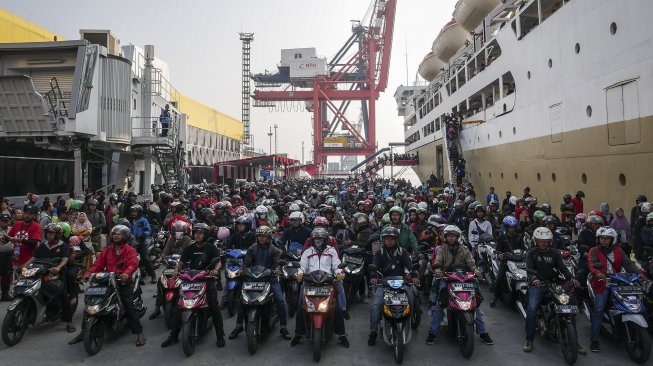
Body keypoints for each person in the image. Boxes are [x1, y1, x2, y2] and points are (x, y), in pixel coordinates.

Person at [69, 224, 146, 346]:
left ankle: (139, 333)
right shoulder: (107, 250)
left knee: (129, 304)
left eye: (119, 234)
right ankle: (83, 332)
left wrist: (126, 273)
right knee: (91, 301)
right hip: (107, 280)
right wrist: (88, 273)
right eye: (114, 234)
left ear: (125, 236)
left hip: (122, 281)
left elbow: (132, 264)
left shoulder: (129, 250)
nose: (116, 236)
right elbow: (97, 265)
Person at [426, 225, 493, 345]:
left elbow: (471, 264)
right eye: (449, 236)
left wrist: (477, 272)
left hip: (464, 279)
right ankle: (433, 332)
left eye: (453, 236)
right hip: (448, 279)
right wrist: (438, 272)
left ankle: (482, 332)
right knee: (441, 303)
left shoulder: (464, 249)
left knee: (475, 304)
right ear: (445, 237)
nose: (451, 238)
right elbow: (437, 263)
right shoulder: (442, 249)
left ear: (458, 237)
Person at [161, 223, 225, 348]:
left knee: (214, 307)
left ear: (205, 235)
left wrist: (215, 270)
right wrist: (176, 271)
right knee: (180, 307)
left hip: (207, 279)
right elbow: (181, 262)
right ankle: (173, 336)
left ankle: (220, 336)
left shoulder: (211, 248)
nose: (198, 235)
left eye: (200, 233)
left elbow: (218, 262)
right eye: (196, 233)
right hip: (191, 279)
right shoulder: (189, 248)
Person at [587, 226, 647, 352]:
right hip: (602, 283)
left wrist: (640, 272)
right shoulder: (594, 250)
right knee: (599, 309)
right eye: (602, 238)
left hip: (619, 281)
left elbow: (628, 263)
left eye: (607, 238)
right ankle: (594, 340)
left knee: (635, 300)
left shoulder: (619, 250)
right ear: (598, 239)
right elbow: (592, 264)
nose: (604, 240)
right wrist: (597, 273)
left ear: (612, 239)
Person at [523, 227, 582, 354]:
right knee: (532, 309)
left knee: (569, 307)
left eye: (546, 241)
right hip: (538, 285)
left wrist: (571, 279)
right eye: (540, 240)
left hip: (555, 284)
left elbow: (563, 268)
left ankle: (575, 342)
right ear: (536, 240)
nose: (543, 243)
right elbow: (529, 269)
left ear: (550, 241)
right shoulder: (531, 253)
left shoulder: (555, 253)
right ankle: (529, 340)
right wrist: (534, 279)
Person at [228, 226, 291, 340]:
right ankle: (239, 326)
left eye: (263, 236)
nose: (261, 238)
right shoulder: (252, 248)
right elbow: (246, 263)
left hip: (269, 278)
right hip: (253, 278)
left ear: (269, 237)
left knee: (280, 300)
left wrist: (277, 269)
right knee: (243, 300)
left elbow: (277, 263)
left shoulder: (274, 250)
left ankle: (283, 327)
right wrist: (242, 270)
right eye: (259, 236)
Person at [290, 228, 349, 348]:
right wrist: (300, 273)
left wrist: (339, 273)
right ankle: (298, 334)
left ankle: (342, 335)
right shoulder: (307, 252)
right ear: (312, 240)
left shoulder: (331, 251)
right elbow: (302, 266)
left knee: (336, 308)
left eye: (321, 239)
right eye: (316, 239)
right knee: (301, 307)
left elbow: (337, 265)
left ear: (325, 240)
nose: (318, 241)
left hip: (327, 282)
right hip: (310, 282)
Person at [368, 226, 419, 346]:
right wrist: (373, 277)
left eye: (392, 239)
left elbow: (410, 266)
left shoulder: (403, 252)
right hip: (384, 284)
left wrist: (414, 276)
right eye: (387, 239)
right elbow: (374, 267)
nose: (389, 241)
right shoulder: (379, 253)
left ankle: (408, 320)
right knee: (376, 306)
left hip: (401, 283)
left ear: (396, 240)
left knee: (411, 298)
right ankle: (373, 332)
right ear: (383, 240)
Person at [22, 223, 76, 332]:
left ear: (57, 235)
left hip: (57, 274)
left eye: (52, 233)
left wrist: (58, 268)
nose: (49, 235)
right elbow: (34, 258)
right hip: (40, 272)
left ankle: (69, 322)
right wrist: (24, 265)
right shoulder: (43, 245)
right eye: (48, 233)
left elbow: (64, 260)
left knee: (63, 295)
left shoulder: (63, 246)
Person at [149, 220, 191, 320]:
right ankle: (157, 308)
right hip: (170, 267)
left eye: (180, 230)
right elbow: (165, 252)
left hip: (183, 267)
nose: (178, 232)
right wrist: (160, 259)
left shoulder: (188, 240)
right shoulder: (171, 239)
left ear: (185, 231)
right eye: (176, 230)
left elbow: (189, 253)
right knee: (160, 282)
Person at [491, 216, 525, 307]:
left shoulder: (519, 237)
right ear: (506, 227)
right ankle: (495, 297)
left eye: (513, 227)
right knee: (499, 278)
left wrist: (526, 253)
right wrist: (500, 254)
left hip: (518, 261)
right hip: (506, 261)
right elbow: (497, 249)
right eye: (510, 227)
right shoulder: (502, 237)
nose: (512, 229)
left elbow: (524, 248)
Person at [128, 204, 156, 284]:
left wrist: (143, 234)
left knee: (145, 258)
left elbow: (148, 231)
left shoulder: (143, 220)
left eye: (135, 212)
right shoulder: (129, 221)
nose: (133, 213)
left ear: (139, 212)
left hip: (141, 242)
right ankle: (138, 277)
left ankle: (153, 276)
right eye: (132, 211)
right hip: (132, 243)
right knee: (134, 260)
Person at [0, 214, 14, 300]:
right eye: (3, 221)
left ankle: (5, 294)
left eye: (7, 221)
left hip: (8, 255)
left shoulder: (11, 230)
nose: (5, 223)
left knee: (7, 275)